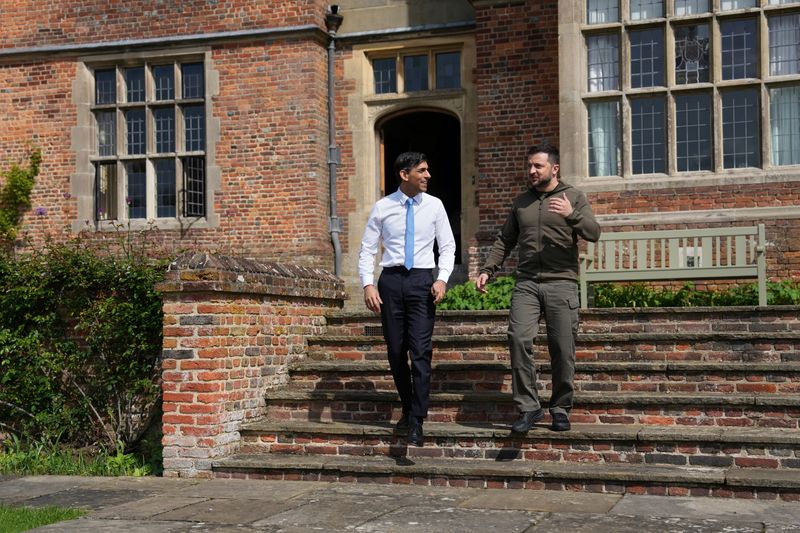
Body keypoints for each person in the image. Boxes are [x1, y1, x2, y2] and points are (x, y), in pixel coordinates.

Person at [475, 142, 600, 433]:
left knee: (562, 348)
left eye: (537, 166)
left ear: (554, 168)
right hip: (527, 284)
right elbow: (505, 240)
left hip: (562, 283)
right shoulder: (521, 203)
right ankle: (529, 408)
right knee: (518, 338)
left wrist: (572, 215)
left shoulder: (574, 197)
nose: (531, 171)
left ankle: (560, 408)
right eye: (529, 165)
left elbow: (593, 233)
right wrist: (487, 269)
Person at [358, 151, 456, 447]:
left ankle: (417, 419)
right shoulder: (382, 208)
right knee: (396, 351)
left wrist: (442, 278)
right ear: (405, 175)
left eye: (427, 170)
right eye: (422, 171)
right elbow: (367, 249)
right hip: (391, 282)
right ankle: (408, 405)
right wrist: (367, 285)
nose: (428, 176)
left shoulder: (435, 206)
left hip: (422, 281)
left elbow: (448, 247)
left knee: (421, 351)